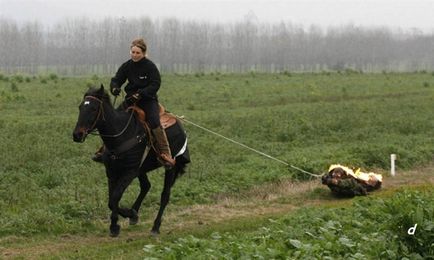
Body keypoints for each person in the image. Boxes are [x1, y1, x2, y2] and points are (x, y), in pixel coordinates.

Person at [93, 38, 175, 168]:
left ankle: (166, 154)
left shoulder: (150, 66)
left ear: (144, 53)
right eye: (133, 52)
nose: (135, 55)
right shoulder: (127, 66)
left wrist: (141, 93)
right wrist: (115, 87)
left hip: (148, 101)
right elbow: (116, 80)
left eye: (138, 53)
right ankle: (103, 149)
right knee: (114, 119)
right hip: (130, 100)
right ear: (130, 51)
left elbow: (155, 84)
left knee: (154, 122)